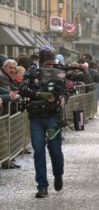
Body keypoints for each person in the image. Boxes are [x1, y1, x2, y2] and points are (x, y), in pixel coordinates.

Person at [18, 47, 68, 198]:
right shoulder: (32, 71)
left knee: (55, 150)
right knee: (38, 149)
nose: (51, 66)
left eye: (53, 62)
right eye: (48, 63)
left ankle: (58, 174)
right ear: (42, 60)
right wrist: (39, 94)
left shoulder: (59, 71)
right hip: (36, 117)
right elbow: (22, 88)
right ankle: (42, 186)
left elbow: (65, 90)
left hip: (53, 117)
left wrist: (63, 98)